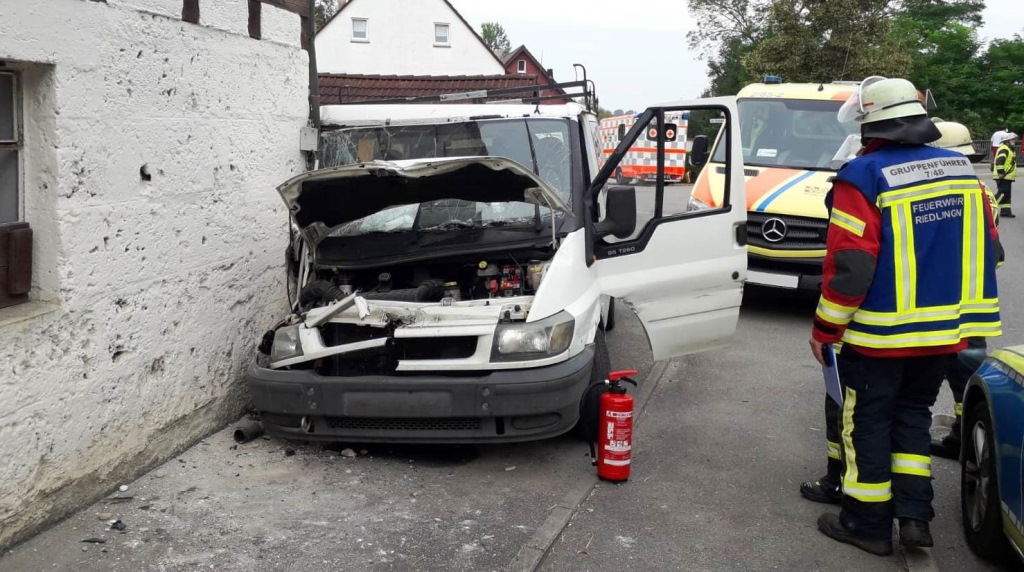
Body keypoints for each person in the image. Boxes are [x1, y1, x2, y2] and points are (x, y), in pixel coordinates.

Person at [808, 76, 1001, 556]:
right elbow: (991, 249)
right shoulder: (962, 171)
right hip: (944, 333)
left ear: (871, 122)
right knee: (912, 419)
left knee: (866, 424)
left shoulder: (863, 175)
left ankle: (866, 523)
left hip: (879, 337)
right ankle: (915, 519)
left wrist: (826, 328)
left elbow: (851, 268)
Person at [928, 120, 1003, 460]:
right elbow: (994, 251)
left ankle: (958, 439)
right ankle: (966, 438)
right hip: (975, 303)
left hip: (939, 297)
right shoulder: (982, 191)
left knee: (924, 378)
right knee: (967, 380)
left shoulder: (938, 190)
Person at [993, 131, 1017, 218]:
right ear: (1007, 141)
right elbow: (1000, 161)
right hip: (1003, 175)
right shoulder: (1004, 148)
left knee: (1006, 194)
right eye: (1012, 140)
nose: (1014, 141)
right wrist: (1001, 173)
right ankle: (988, 208)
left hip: (1007, 176)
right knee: (1002, 193)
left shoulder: (1009, 149)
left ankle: (1005, 211)